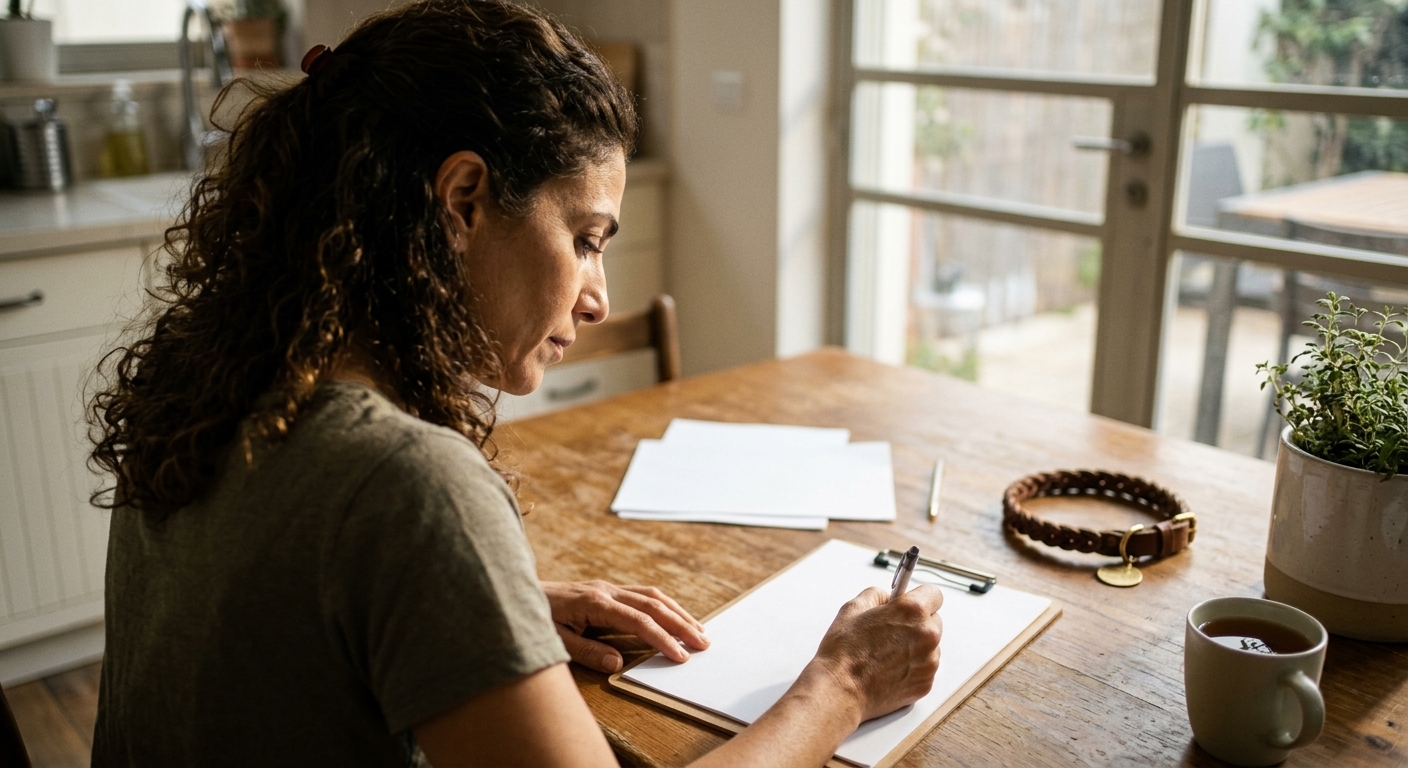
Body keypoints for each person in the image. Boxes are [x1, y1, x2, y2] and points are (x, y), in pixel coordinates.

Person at [87, 1, 944, 766]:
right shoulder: (405, 484)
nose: (600, 298)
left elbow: (268, 621)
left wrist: (492, 611)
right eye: (585, 237)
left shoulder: (205, 385)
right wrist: (843, 684)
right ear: (462, 200)